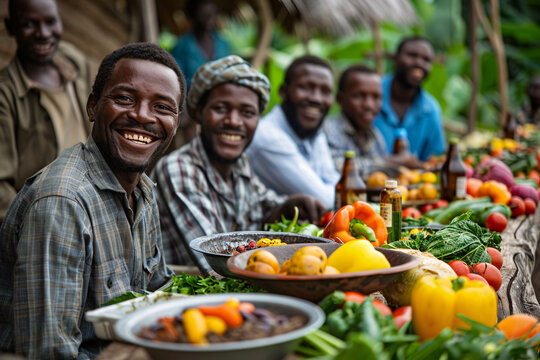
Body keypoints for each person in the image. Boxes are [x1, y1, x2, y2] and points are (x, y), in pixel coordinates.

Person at [0, 43, 185, 359]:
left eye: (162, 107)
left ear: (175, 123)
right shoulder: (61, 203)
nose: (142, 115)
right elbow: (51, 353)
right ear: (92, 107)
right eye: (125, 99)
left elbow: (159, 295)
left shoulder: (144, 191)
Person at [152, 55, 326, 273]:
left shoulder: (239, 166)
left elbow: (265, 205)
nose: (234, 121)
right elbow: (216, 260)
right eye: (221, 108)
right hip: (192, 295)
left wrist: (289, 206)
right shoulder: (178, 169)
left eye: (247, 113)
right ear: (199, 113)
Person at [0, 0, 93, 222]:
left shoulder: (73, 62)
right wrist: (35, 227)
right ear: (10, 27)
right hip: (44, 218)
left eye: (50, 22)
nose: (43, 34)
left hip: (90, 204)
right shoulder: (6, 94)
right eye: (29, 24)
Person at [245, 55, 340, 210]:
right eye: (305, 87)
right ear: (283, 91)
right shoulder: (268, 137)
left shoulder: (312, 132)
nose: (316, 98)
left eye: (325, 91)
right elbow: (325, 201)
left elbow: (338, 184)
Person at [324, 65, 424, 177]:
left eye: (376, 97)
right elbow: (337, 169)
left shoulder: (376, 136)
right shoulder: (329, 130)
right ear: (340, 99)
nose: (369, 105)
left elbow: (380, 178)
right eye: (359, 96)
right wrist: (391, 162)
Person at [374, 36, 445, 162]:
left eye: (426, 60)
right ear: (395, 59)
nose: (419, 63)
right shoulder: (371, 94)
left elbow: (435, 159)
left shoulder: (430, 110)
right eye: (412, 56)